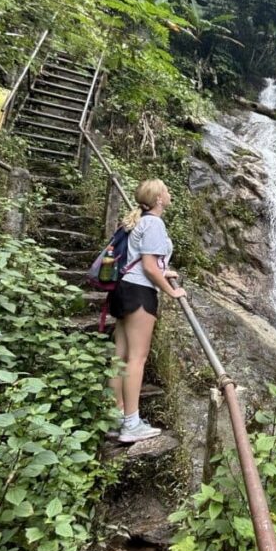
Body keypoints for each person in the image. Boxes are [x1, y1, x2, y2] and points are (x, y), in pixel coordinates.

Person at [108, 179, 186, 443]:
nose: (170, 192)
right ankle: (131, 423)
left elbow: (142, 260)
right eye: (167, 190)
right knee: (136, 360)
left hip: (124, 288)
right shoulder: (155, 223)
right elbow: (150, 268)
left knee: (120, 356)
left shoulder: (141, 220)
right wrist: (171, 290)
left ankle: (116, 415)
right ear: (159, 199)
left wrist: (164, 272)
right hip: (140, 293)